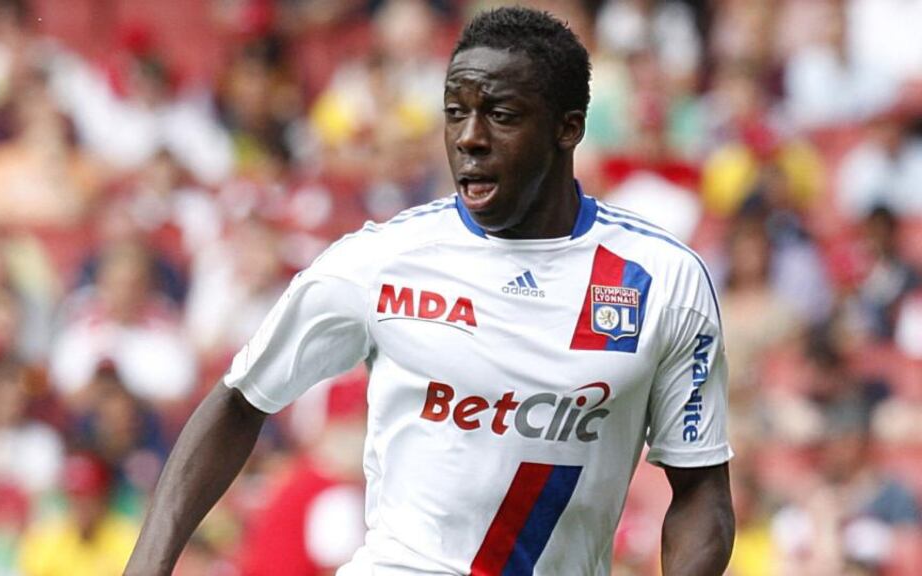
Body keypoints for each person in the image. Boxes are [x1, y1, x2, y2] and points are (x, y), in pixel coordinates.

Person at [126, 7, 735, 575]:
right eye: (454, 112)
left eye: (500, 114)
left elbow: (701, 486)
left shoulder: (663, 281)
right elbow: (240, 400)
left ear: (568, 128)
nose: (469, 137)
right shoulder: (381, 260)